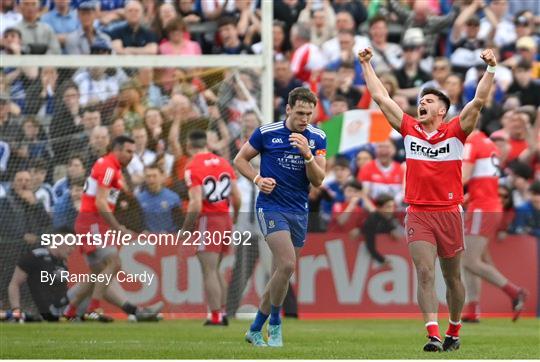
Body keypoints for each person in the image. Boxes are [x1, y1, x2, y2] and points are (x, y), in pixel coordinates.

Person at [358, 46, 498, 352]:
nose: (422, 103)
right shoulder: (409, 129)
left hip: (449, 211)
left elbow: (479, 101)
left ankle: (455, 328)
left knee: (452, 278)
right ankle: (433, 333)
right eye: (421, 100)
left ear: (442, 111)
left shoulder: (457, 131)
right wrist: (366, 64)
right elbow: (382, 98)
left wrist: (490, 69)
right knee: (424, 272)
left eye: (429, 100)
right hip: (418, 212)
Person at [234, 87, 326, 347]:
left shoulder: (317, 138)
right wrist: (257, 179)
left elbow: (319, 180)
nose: (305, 118)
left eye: (309, 113)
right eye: (300, 113)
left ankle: (254, 329)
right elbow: (240, 159)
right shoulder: (267, 133)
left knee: (280, 274)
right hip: (270, 207)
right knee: (287, 264)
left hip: (299, 210)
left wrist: (307, 154)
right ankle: (275, 324)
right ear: (288, 109)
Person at [70, 136, 161, 322]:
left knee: (98, 273)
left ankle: (70, 310)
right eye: (128, 151)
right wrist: (118, 228)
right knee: (114, 263)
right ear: (117, 149)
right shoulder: (109, 168)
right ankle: (92, 310)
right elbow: (101, 202)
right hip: (92, 222)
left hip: (91, 222)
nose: (131, 156)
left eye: (133, 152)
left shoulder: (110, 167)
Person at [461, 124, 527, 323]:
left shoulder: (472, 143)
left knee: (469, 261)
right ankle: (473, 309)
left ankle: (514, 291)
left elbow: (463, 177)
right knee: (471, 259)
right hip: (487, 205)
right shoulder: (488, 144)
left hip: (482, 208)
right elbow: (484, 180)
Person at [182, 130, 241, 326]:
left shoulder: (192, 166)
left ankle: (215, 315)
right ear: (206, 144)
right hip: (225, 218)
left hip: (208, 220)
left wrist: (186, 227)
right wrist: (235, 217)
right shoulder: (223, 162)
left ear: (189, 146)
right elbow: (237, 196)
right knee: (216, 270)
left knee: (208, 271)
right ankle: (221, 313)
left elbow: (196, 203)